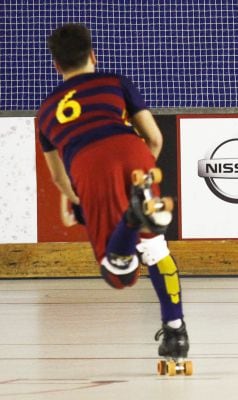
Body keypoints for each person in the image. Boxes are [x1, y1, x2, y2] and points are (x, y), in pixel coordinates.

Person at [37, 23, 190, 363]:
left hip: (89, 165)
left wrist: (80, 201)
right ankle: (176, 332)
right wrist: (141, 171)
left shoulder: (46, 111)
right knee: (155, 248)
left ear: (56, 65)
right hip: (134, 153)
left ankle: (131, 220)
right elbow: (154, 138)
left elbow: (60, 180)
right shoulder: (114, 82)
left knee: (119, 274)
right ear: (93, 54)